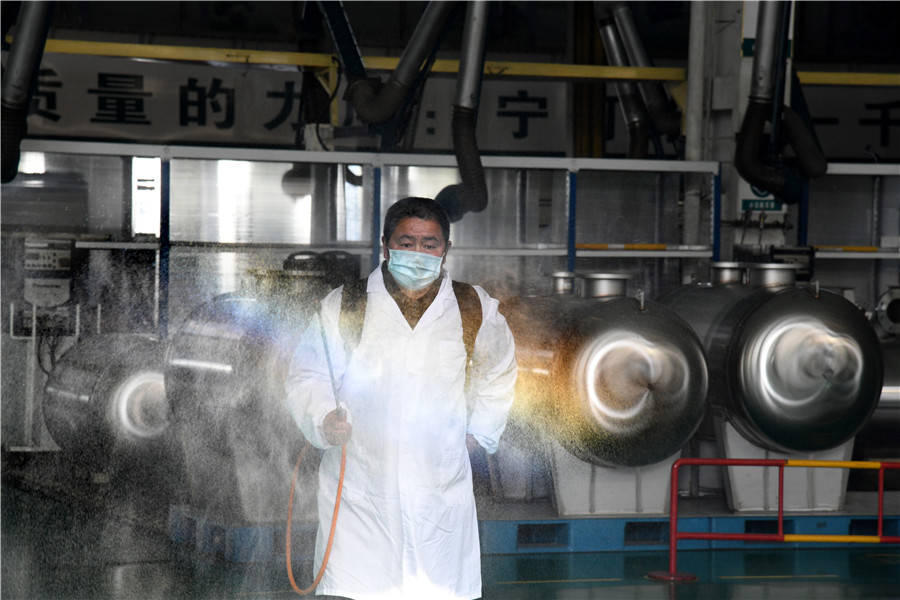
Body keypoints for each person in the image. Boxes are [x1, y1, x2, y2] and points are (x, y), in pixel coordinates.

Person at [285, 196, 517, 600]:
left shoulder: (471, 307)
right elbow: (308, 374)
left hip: (439, 488)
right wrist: (324, 417)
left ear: (447, 249)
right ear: (385, 245)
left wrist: (480, 431)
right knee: (357, 589)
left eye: (430, 244)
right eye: (406, 243)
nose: (418, 253)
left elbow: (499, 370)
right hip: (360, 490)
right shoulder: (346, 304)